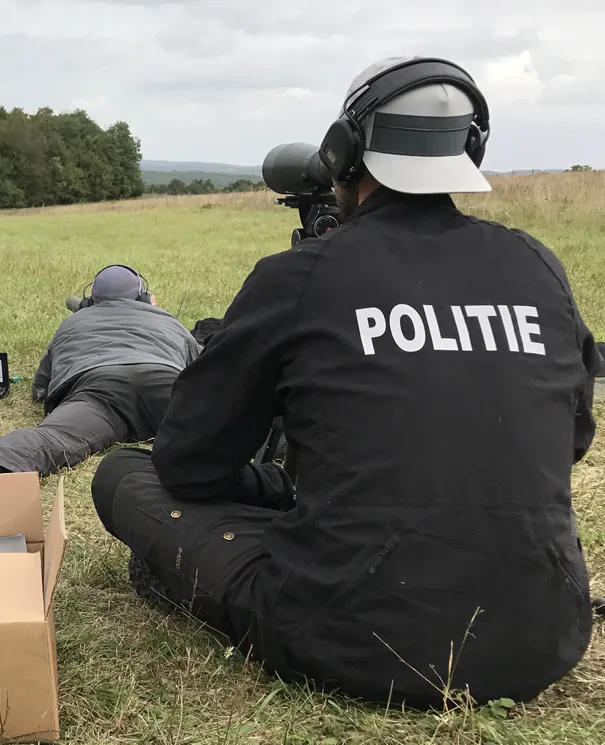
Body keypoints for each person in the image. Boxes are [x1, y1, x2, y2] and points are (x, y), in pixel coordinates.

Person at [91, 57, 600, 708]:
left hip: (344, 636)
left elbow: (188, 462)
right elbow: (571, 439)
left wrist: (261, 485)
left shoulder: (299, 275)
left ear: (343, 152)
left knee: (123, 477)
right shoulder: (537, 265)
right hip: (544, 634)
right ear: (470, 148)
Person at [0, 265, 198, 508]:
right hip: (166, 382)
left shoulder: (72, 323)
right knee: (224, 430)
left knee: (48, 439)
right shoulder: (169, 321)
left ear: (89, 300)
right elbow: (205, 374)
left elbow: (40, 389)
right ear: (144, 298)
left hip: (98, 390)